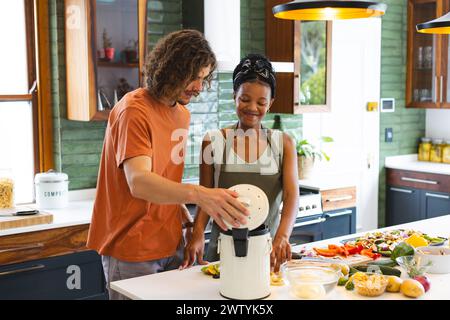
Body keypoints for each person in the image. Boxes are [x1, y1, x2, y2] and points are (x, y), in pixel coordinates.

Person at [87, 30, 249, 300]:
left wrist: (182, 213)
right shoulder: (133, 111)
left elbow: (163, 176)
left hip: (170, 242)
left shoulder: (181, 114)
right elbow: (139, 182)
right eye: (193, 76)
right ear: (172, 68)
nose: (199, 86)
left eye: (203, 78)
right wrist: (200, 194)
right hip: (131, 249)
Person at [181, 53, 299, 272]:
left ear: (270, 103)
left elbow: (292, 197)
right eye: (245, 99)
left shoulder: (284, 143)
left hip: (268, 252)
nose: (252, 108)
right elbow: (205, 195)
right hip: (221, 252)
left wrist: (282, 237)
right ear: (234, 96)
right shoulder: (213, 141)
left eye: (261, 102)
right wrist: (197, 234)